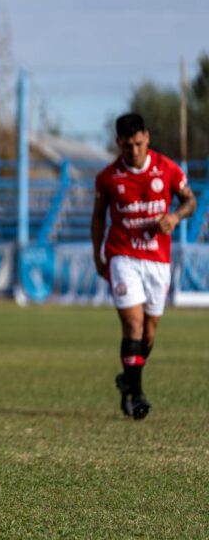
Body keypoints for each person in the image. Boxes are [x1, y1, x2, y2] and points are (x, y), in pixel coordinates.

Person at [91, 113, 196, 420]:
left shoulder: (167, 169)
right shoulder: (108, 178)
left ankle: (128, 377)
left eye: (138, 144)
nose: (134, 151)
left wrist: (175, 217)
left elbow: (190, 201)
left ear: (147, 138)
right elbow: (98, 217)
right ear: (118, 144)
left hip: (157, 260)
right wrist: (98, 255)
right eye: (127, 146)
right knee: (133, 325)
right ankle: (136, 395)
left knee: (148, 334)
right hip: (122, 256)